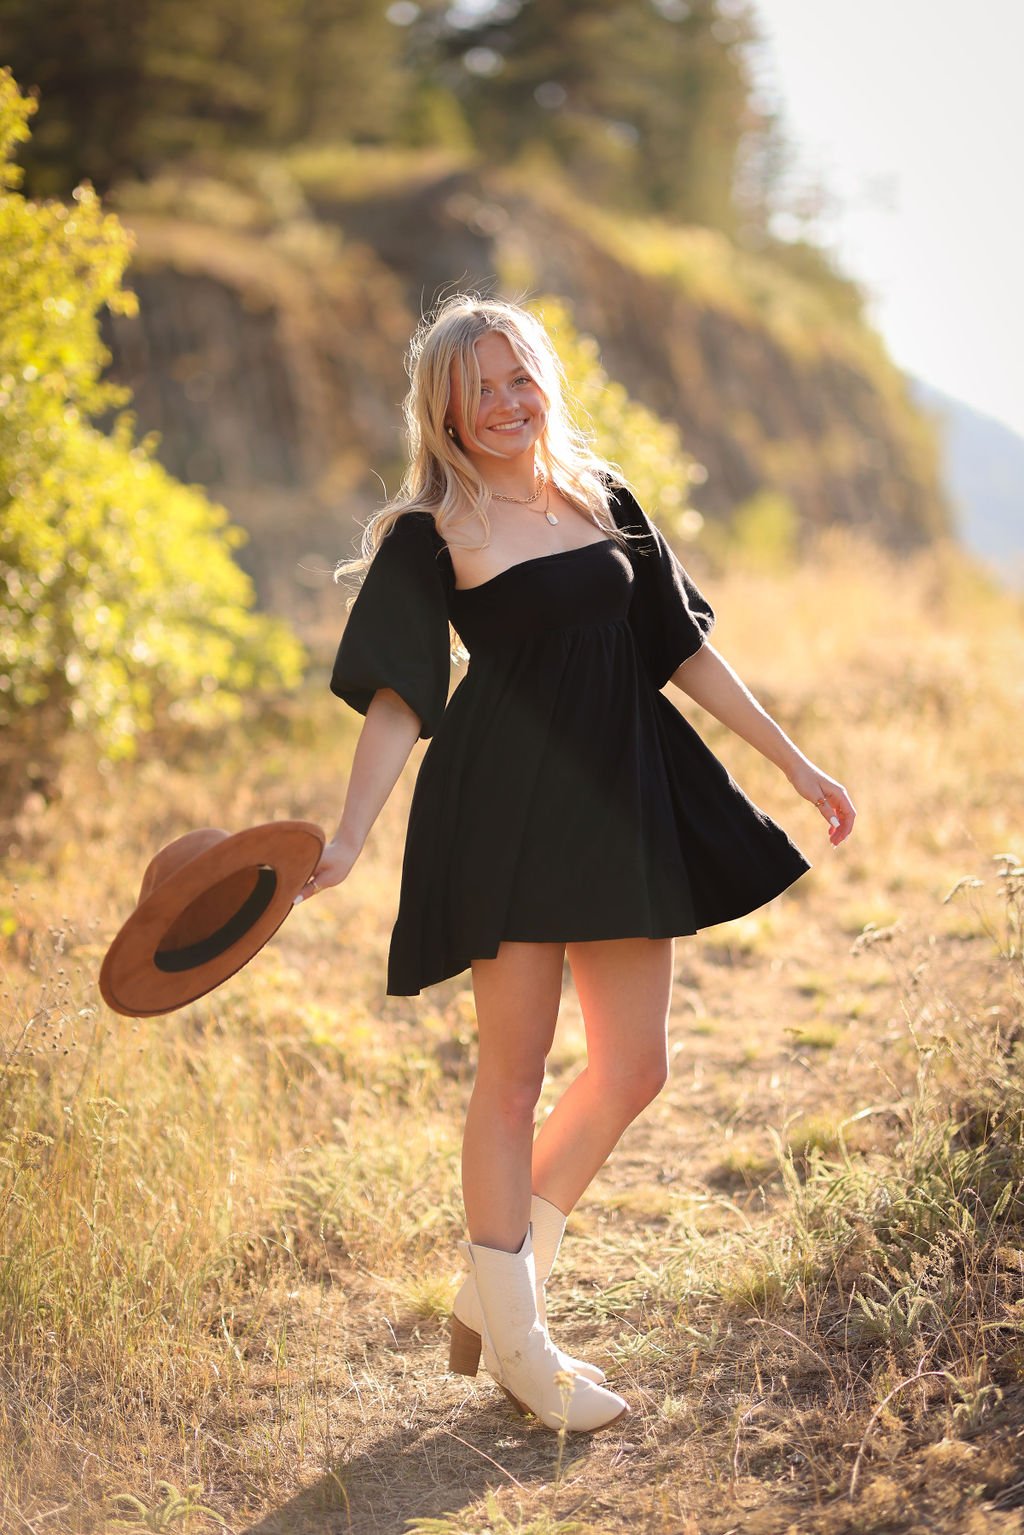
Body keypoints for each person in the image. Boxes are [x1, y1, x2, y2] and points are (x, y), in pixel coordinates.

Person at [296, 294, 856, 1433]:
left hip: (617, 798)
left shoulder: (602, 497)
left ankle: (491, 1290)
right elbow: (404, 695)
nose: (504, 404)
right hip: (502, 804)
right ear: (443, 412)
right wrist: (350, 833)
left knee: (634, 1063)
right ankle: (521, 1342)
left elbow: (683, 651)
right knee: (512, 1075)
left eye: (518, 379)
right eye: (478, 390)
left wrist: (795, 765)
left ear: (543, 379)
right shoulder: (433, 528)